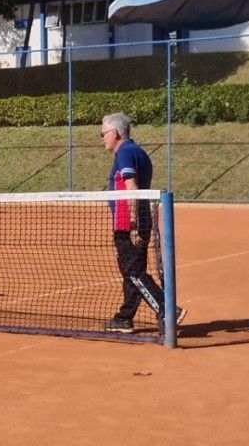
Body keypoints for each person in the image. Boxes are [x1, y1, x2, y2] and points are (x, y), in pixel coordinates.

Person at [100, 112, 186, 334]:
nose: (101, 138)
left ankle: (167, 309)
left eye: (103, 133)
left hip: (128, 223)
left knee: (133, 271)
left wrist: (133, 223)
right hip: (137, 219)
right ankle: (124, 318)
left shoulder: (125, 153)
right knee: (132, 271)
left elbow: (132, 188)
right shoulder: (137, 151)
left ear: (115, 133)